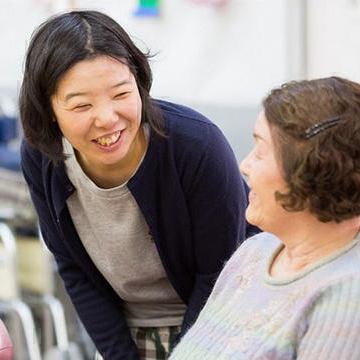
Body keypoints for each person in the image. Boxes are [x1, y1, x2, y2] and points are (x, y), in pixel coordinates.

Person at [19, 10, 256, 360]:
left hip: (221, 321)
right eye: (82, 104)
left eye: (120, 94)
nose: (107, 118)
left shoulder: (196, 146)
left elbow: (218, 275)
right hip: (128, 334)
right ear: (49, 110)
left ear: (140, 83)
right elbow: (73, 268)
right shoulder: (44, 155)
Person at [169, 76, 360, 360]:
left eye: (260, 151)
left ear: (308, 173)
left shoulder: (356, 297)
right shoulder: (255, 252)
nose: (245, 166)